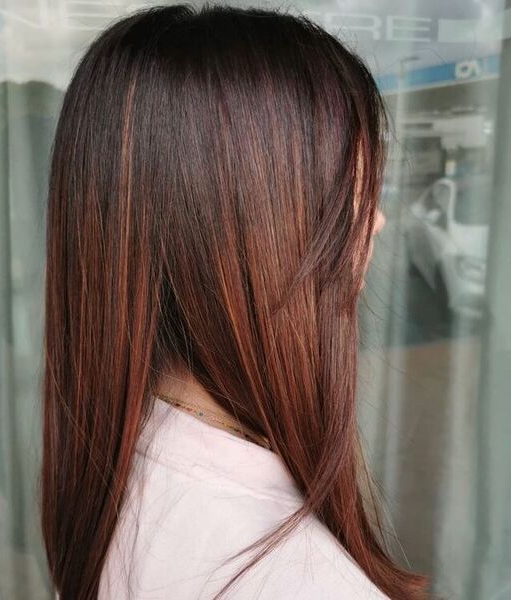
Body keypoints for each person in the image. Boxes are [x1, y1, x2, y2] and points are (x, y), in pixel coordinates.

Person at [40, 4, 431, 599]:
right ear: (256, 233)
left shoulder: (134, 457)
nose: (375, 222)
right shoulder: (296, 580)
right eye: (352, 192)